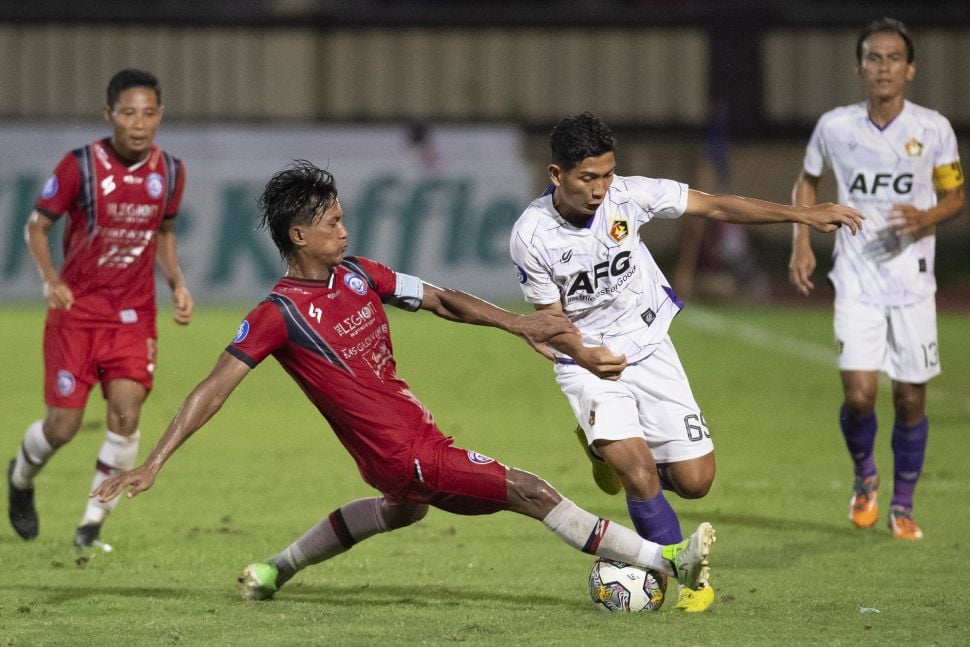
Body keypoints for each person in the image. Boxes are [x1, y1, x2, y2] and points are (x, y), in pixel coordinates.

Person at [91, 160, 716, 602]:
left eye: (342, 217)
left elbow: (441, 300)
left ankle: (274, 570)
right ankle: (665, 559)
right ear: (298, 235)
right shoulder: (277, 315)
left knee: (402, 514)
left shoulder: (360, 274)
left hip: (413, 434)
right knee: (530, 490)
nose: (343, 229)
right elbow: (214, 387)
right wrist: (155, 460)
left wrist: (518, 325)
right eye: (331, 222)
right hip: (403, 452)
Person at [509, 111, 863, 611]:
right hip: (587, 361)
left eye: (607, 174)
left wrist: (802, 215)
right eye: (588, 177)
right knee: (639, 474)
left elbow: (715, 206)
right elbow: (551, 320)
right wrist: (586, 356)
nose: (600, 188)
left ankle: (601, 457)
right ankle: (691, 580)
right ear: (556, 175)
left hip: (650, 345)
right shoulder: (531, 235)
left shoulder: (629, 196)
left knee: (696, 482)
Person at [788, 18, 964, 540]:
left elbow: (955, 196)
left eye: (893, 58)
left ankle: (903, 505)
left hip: (913, 281)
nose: (882, 67)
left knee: (910, 398)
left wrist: (926, 218)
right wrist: (801, 240)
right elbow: (807, 180)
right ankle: (866, 476)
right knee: (860, 394)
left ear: (909, 69)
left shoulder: (933, 130)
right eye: (873, 58)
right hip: (857, 279)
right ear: (859, 67)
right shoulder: (836, 127)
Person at [7, 69, 193, 549]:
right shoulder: (80, 166)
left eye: (148, 113)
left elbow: (164, 234)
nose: (139, 123)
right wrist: (50, 280)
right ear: (109, 114)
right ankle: (21, 477)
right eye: (128, 112)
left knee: (126, 415)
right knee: (62, 427)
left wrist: (176, 283)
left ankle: (90, 525)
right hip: (77, 314)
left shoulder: (170, 172)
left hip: (133, 317)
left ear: (160, 116)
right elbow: (35, 227)